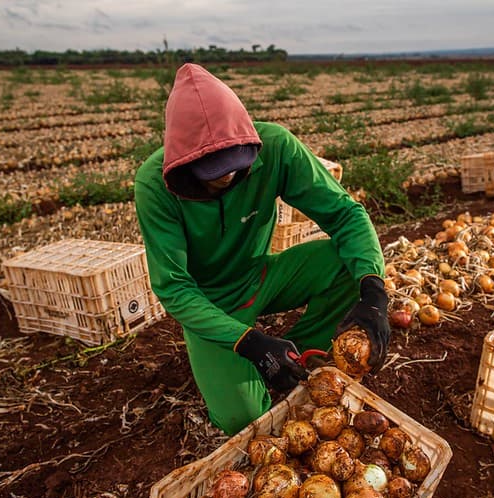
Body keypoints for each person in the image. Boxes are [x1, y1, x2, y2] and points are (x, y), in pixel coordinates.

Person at [134, 63, 390, 435]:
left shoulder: (278, 146)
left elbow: (345, 215)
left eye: (235, 166)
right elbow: (174, 287)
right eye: (213, 172)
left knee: (347, 264)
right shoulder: (154, 185)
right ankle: (255, 353)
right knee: (244, 420)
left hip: (261, 276)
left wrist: (374, 292)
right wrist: (247, 341)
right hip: (210, 304)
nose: (226, 176)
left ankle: (300, 354)